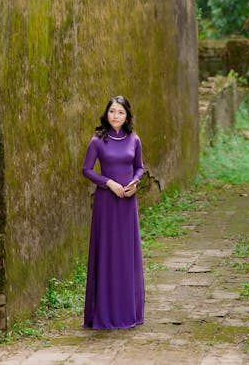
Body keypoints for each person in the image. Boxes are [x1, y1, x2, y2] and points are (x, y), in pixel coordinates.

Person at [82, 95, 145, 330]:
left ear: (127, 115)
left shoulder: (134, 139)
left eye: (120, 112)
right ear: (106, 114)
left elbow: (139, 167)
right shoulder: (97, 141)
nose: (115, 116)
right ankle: (105, 311)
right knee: (108, 253)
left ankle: (129, 311)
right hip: (106, 203)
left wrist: (134, 183)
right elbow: (87, 169)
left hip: (128, 203)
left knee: (126, 255)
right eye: (112, 112)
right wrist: (109, 183)